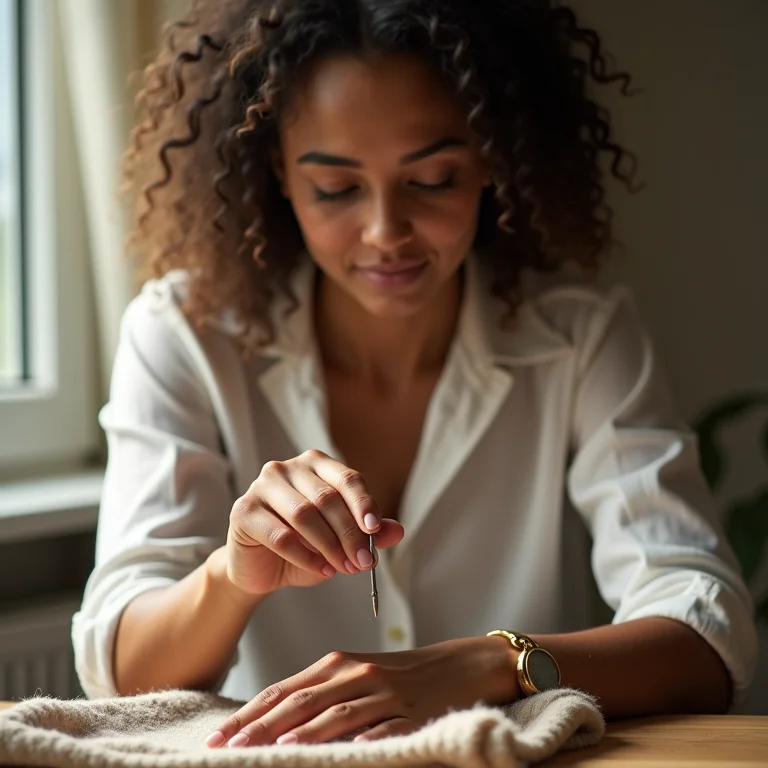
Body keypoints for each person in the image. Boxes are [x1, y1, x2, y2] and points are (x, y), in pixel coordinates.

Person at [72, 0, 757, 749]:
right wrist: (231, 577)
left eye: (432, 178)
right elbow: (120, 674)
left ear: (490, 159)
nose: (385, 232)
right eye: (336, 188)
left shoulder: (580, 338)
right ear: (279, 173)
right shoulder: (184, 336)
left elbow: (706, 632)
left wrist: (487, 665)